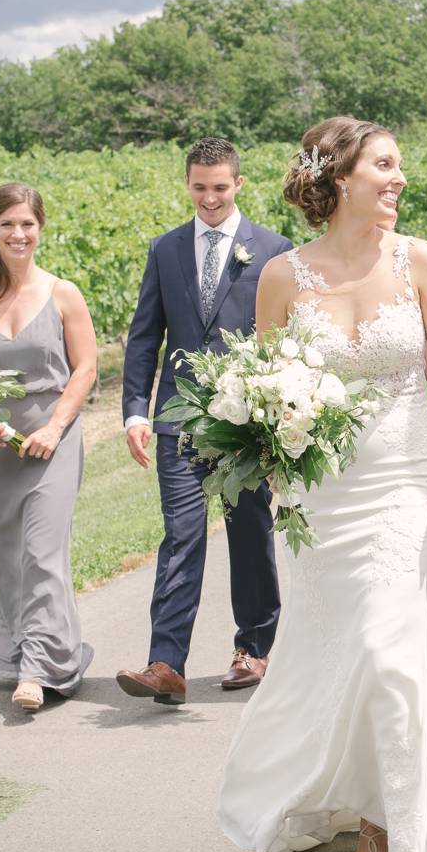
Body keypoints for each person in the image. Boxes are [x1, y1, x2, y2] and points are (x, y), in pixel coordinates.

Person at [218, 117, 427, 852]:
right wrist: (269, 456)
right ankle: (369, 806)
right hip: (317, 494)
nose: (399, 177)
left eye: (399, 164)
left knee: (387, 640)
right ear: (341, 177)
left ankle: (413, 838)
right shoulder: (282, 276)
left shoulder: (420, 262)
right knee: (336, 645)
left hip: (406, 475)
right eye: (385, 164)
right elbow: (262, 389)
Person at [117, 138, 292, 705]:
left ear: (238, 184)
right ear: (187, 184)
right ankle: (166, 662)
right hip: (179, 421)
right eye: (199, 187)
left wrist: (278, 425)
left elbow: (284, 343)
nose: (210, 197)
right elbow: (145, 336)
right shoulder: (165, 250)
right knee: (182, 535)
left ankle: (253, 648)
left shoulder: (272, 249)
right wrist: (134, 413)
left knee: (249, 534)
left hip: (246, 422)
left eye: (220, 187)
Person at [0, 183, 96, 712]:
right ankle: (22, 651)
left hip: (51, 441)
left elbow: (86, 368)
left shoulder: (63, 293)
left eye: (27, 224)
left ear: (41, 229)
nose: (19, 233)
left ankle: (39, 668)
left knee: (42, 552)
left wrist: (55, 427)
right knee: (5, 556)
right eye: (8, 224)